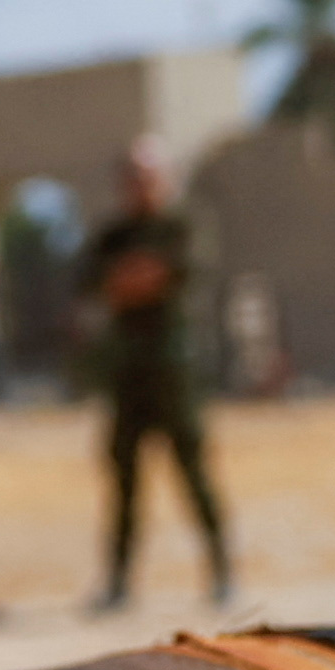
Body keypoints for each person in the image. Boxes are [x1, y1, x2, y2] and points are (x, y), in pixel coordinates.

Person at [76, 137, 234, 612]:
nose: (140, 187)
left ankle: (222, 571)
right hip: (127, 370)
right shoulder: (112, 235)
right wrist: (131, 279)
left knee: (193, 471)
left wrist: (132, 281)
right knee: (124, 480)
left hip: (174, 366)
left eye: (148, 177)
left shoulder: (180, 226)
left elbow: (174, 273)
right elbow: (92, 282)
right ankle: (119, 582)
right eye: (132, 178)